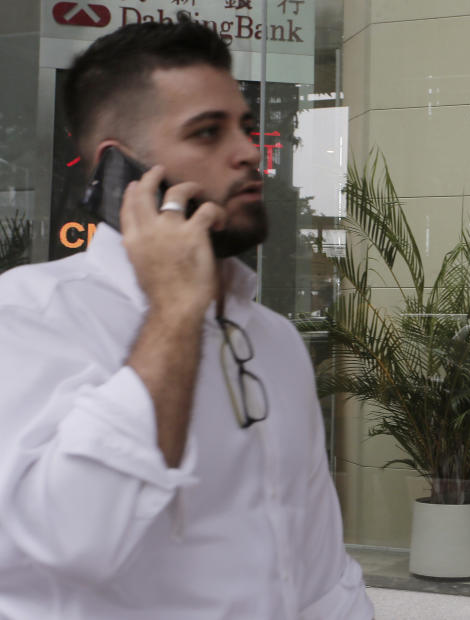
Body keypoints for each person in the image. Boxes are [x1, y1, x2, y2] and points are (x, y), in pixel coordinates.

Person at [0, 15, 373, 620]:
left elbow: (318, 570)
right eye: (207, 133)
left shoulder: (274, 338)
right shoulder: (27, 317)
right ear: (120, 170)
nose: (249, 152)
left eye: (247, 128)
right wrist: (174, 312)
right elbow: (74, 540)